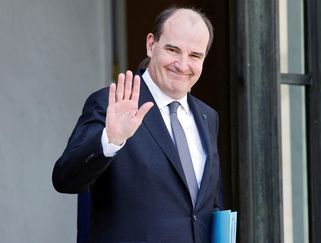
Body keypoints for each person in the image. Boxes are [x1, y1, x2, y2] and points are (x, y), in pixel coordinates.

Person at [52, 6, 223, 243]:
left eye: (195, 55)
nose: (183, 65)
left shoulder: (208, 117)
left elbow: (207, 205)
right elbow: (65, 179)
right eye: (173, 50)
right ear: (151, 45)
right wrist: (110, 140)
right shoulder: (111, 103)